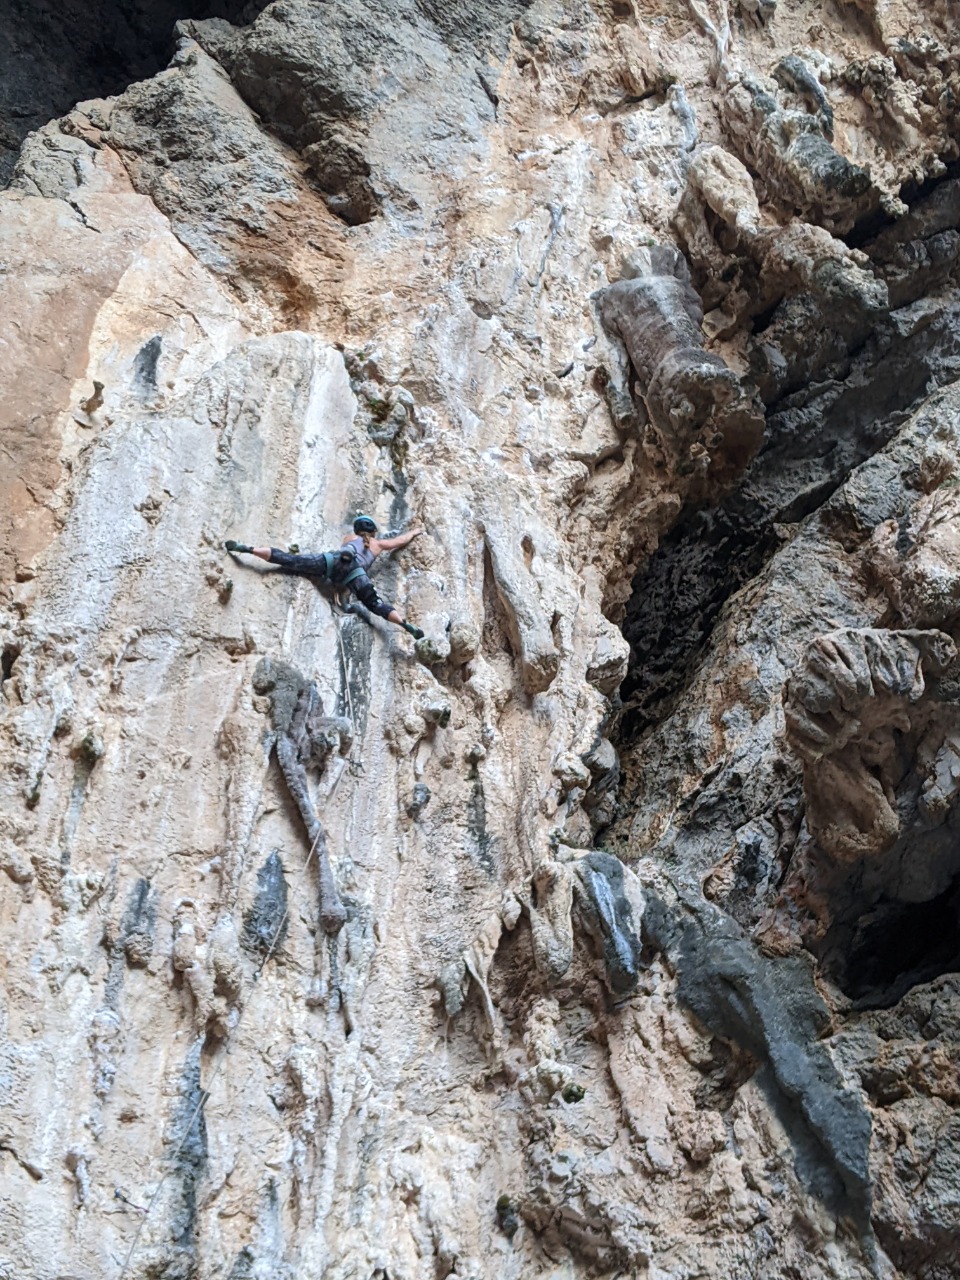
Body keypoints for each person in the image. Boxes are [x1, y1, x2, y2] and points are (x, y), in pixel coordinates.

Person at [225, 515, 425, 638]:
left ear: (357, 530)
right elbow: (400, 541)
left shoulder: (349, 538)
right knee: (376, 604)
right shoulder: (378, 544)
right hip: (355, 573)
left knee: (290, 559)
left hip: (333, 561)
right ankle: (404, 623)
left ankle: (249, 549)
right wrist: (415, 531)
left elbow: (346, 556)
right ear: (373, 532)